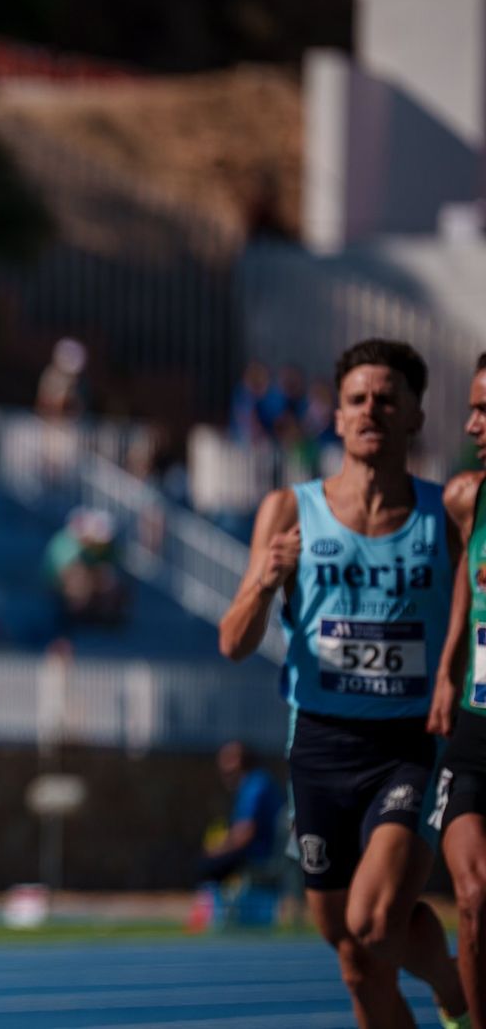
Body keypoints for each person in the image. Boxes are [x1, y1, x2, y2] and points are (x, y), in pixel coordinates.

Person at [219, 339, 468, 1029]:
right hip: (321, 745)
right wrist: (267, 580)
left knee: (376, 915)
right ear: (335, 416)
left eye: (388, 399)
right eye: (357, 399)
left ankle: (455, 992)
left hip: (410, 741)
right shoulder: (289, 510)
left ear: (416, 413)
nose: (370, 411)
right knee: (354, 955)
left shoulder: (444, 515)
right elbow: (233, 640)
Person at [427, 352, 486, 1023]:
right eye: (472, 407)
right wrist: (445, 669)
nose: (472, 423)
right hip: (473, 733)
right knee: (472, 895)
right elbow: (464, 584)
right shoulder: (467, 497)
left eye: (484, 411)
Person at [199, 741, 285, 885]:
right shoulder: (252, 784)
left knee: (206, 867)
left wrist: (217, 850)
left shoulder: (255, 785)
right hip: (260, 855)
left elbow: (245, 833)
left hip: (262, 857)